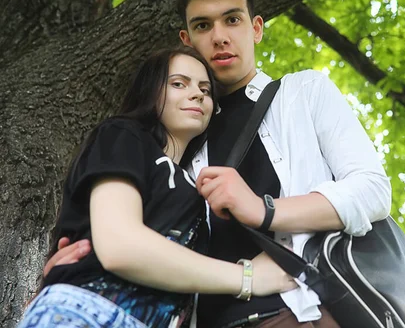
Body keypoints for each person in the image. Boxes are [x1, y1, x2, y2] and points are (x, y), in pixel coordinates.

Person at [44, 0, 392, 328]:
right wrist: (80, 266)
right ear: (188, 40)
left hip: (299, 311)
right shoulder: (178, 139)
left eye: (232, 19)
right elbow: (139, 240)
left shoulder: (303, 93)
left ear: (256, 28)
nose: (220, 36)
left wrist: (265, 209)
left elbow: (372, 190)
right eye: (202, 25)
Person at [22, 47, 296, 328]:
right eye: (179, 83)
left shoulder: (194, 181)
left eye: (205, 89)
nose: (198, 94)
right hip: (90, 312)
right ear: (151, 91)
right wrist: (248, 277)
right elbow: (120, 246)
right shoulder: (124, 135)